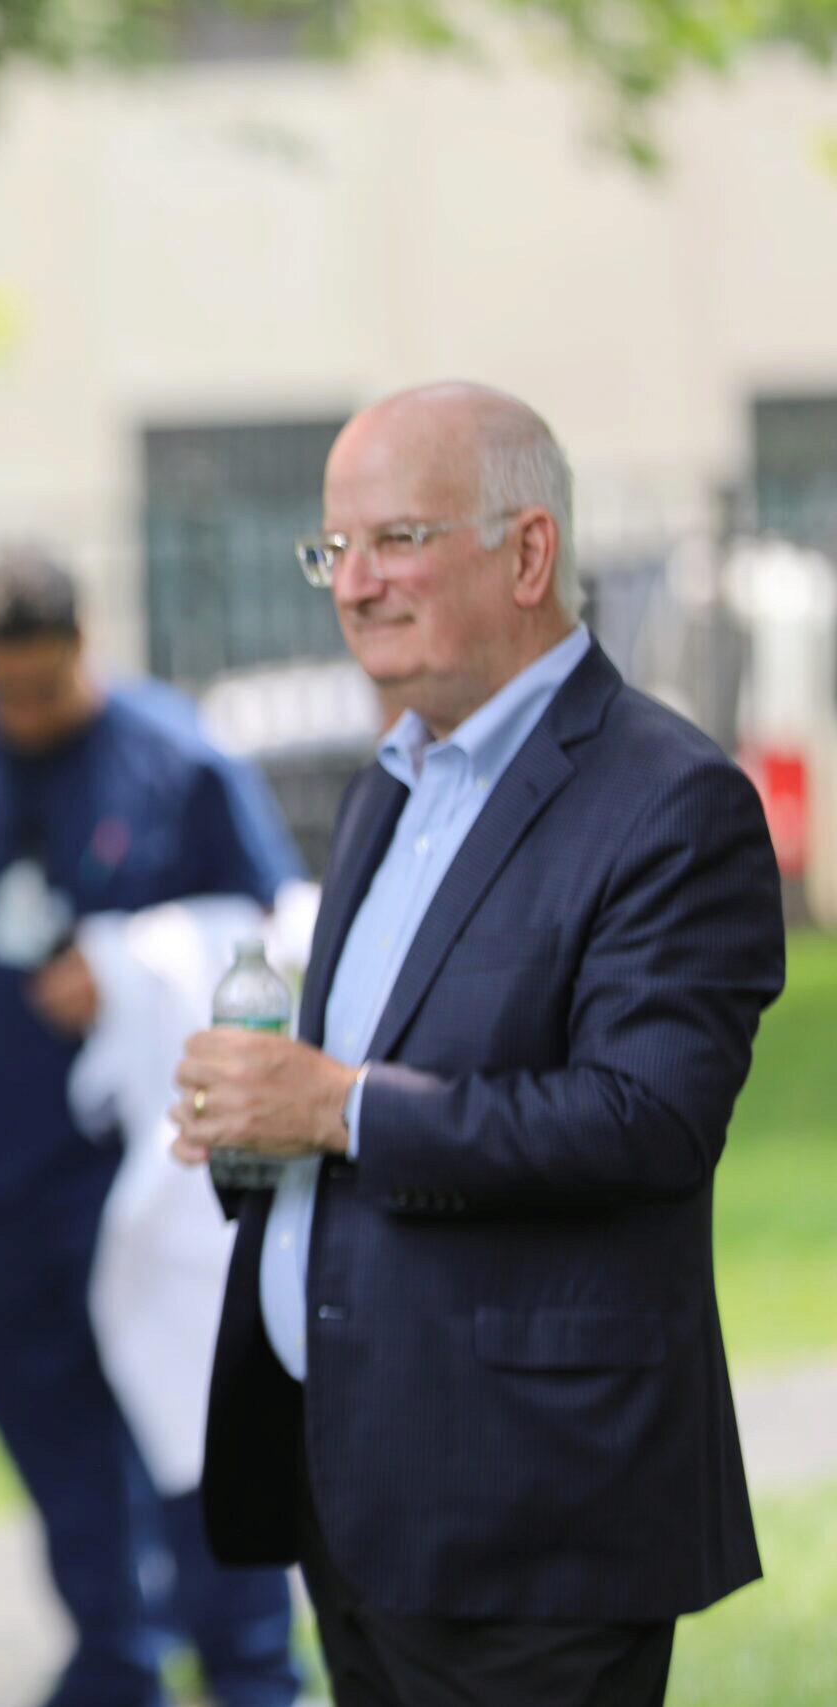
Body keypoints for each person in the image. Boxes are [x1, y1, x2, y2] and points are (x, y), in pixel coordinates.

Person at [171, 383, 786, 1707]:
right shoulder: (390, 780)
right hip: (356, 1484)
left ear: (528, 551)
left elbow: (644, 1119)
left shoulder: (672, 801)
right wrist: (255, 1118)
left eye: (396, 537)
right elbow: (379, 1067)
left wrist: (335, 1105)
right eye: (333, 549)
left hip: (535, 1510)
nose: (354, 583)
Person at [0, 551, 301, 1707]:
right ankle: (115, 1656)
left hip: (145, 1177)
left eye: (47, 688)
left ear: (84, 645)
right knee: (48, 1431)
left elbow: (269, 931)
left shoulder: (176, 755)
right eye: (7, 691)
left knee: (189, 1417)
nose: (27, 714)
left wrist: (130, 967)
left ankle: (250, 1668)